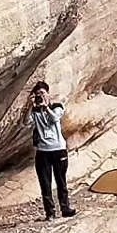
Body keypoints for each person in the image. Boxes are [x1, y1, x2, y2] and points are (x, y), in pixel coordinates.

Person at [28, 81, 76, 220]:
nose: (40, 96)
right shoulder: (35, 111)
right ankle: (50, 212)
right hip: (42, 151)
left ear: (48, 94)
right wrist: (30, 106)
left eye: (42, 93)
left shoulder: (57, 106)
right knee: (45, 183)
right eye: (38, 94)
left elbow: (55, 118)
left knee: (61, 181)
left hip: (58, 149)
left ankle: (65, 208)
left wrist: (46, 107)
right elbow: (25, 122)